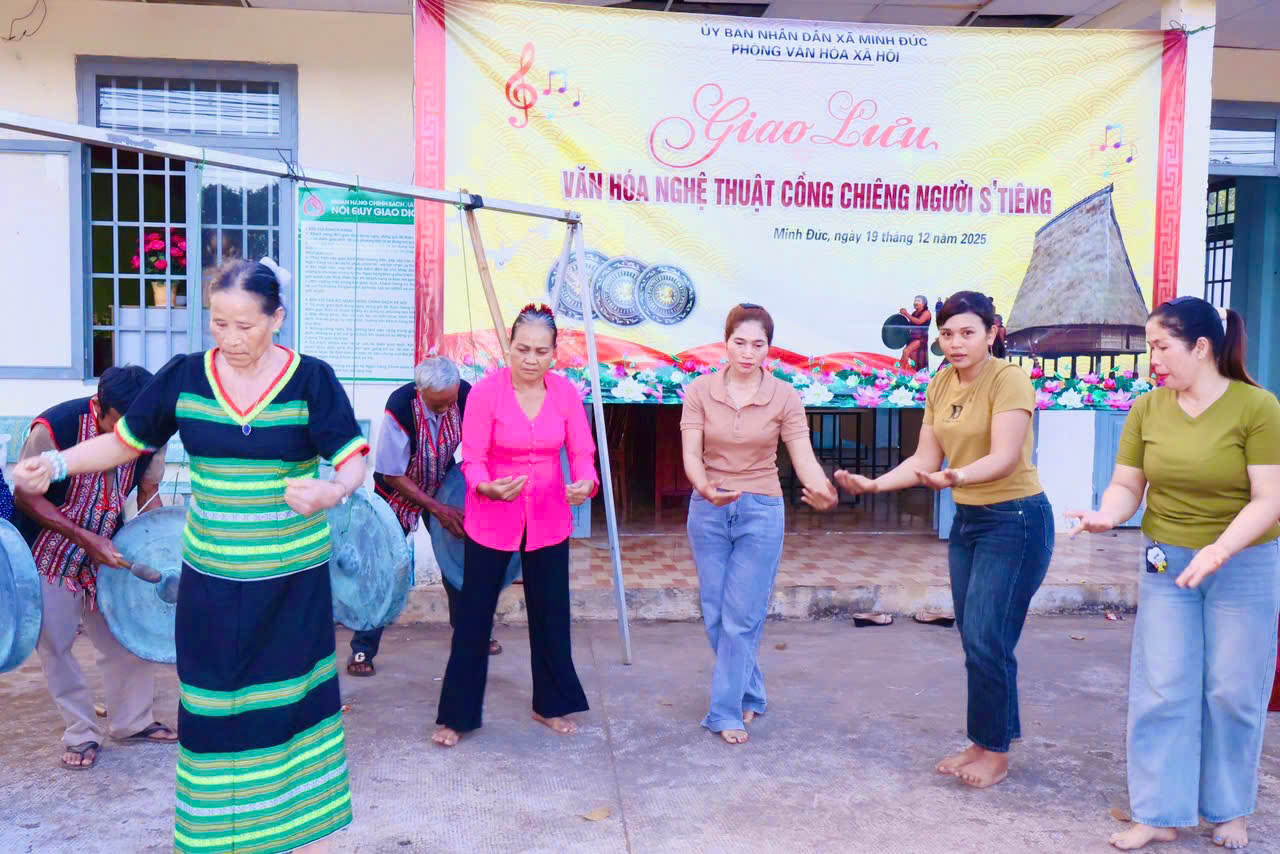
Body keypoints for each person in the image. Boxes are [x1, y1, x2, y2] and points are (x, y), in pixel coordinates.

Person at [14, 258, 369, 854]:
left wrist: (333, 490)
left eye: (245, 325)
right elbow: (125, 442)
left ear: (276, 319)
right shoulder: (185, 377)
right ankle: (214, 836)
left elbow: (352, 456)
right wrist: (53, 463)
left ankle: (290, 832)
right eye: (218, 323)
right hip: (213, 576)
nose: (231, 338)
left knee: (286, 704)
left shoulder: (311, 380)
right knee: (211, 705)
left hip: (290, 579)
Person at [1067, 297, 1280, 852]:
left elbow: (1269, 498)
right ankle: (1159, 812)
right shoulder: (1148, 409)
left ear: (1201, 347)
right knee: (1163, 686)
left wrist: (1220, 549)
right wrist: (1107, 514)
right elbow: (1127, 484)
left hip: (1243, 560)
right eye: (1150, 347)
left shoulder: (1257, 408)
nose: (1152, 359)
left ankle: (1229, 809)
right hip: (1167, 559)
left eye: (1161, 346)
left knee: (1232, 689)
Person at [835, 290, 1053, 788]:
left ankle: (995, 753)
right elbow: (922, 460)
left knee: (988, 637)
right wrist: (873, 485)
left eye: (967, 333)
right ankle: (983, 742)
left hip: (1016, 520)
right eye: (948, 334)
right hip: (970, 521)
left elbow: (1004, 458)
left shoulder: (1009, 379)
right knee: (976, 637)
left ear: (991, 333)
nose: (955, 343)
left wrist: (955, 477)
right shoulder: (941, 383)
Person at [432, 303, 597, 748]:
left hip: (549, 515)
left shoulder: (564, 393)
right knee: (474, 617)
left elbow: (582, 452)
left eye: (541, 351)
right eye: (523, 349)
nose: (531, 359)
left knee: (551, 612)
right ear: (509, 346)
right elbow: (473, 459)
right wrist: (485, 487)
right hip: (491, 516)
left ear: (554, 353)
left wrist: (586, 482)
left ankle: (551, 704)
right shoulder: (486, 393)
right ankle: (457, 715)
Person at [680, 303, 838, 745]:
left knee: (741, 617)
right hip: (709, 507)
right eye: (740, 342)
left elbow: (802, 456)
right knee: (716, 613)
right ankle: (751, 691)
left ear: (769, 348)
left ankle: (724, 711)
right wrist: (705, 487)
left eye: (758, 344)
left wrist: (822, 488)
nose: (748, 353)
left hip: (761, 510)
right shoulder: (700, 391)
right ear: (726, 342)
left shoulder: (784, 396)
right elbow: (691, 453)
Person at [10, 366, 176, 771]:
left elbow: (148, 492)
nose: (124, 437)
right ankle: (81, 732)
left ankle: (132, 722)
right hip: (48, 553)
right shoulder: (54, 428)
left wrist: (162, 546)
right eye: (116, 425)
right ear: (99, 406)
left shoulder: (149, 431)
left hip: (110, 546)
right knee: (55, 644)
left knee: (129, 634)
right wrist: (84, 538)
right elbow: (25, 496)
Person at [347, 356, 502, 677]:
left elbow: (479, 447)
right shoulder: (400, 407)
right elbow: (391, 474)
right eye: (438, 404)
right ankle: (362, 648)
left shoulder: (464, 395)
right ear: (420, 392)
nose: (446, 408)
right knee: (383, 568)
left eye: (450, 401)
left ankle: (472, 633)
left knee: (458, 560)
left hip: (442, 484)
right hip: (398, 490)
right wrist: (437, 509)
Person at [899, 295, 932, 371]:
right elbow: (911, 324)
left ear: (924, 303)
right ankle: (915, 370)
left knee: (906, 351)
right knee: (912, 355)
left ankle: (899, 370)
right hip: (912, 337)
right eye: (915, 301)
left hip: (920, 338)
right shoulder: (914, 313)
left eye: (918, 301)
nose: (915, 302)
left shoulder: (926, 313)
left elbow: (919, 321)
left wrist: (906, 314)